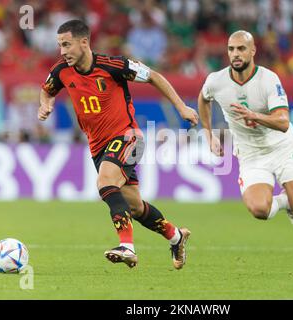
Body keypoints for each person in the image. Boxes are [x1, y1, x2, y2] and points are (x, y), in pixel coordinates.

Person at [38, 20, 198, 269]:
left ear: (84, 42)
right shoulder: (61, 70)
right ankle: (176, 236)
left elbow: (154, 76)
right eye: (60, 45)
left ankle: (127, 247)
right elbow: (47, 90)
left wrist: (181, 107)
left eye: (67, 44)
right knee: (133, 206)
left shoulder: (114, 66)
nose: (63, 51)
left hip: (128, 137)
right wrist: (45, 104)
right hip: (97, 147)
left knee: (105, 182)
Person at [198, 30, 293, 270]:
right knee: (259, 210)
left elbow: (283, 122)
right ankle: (285, 203)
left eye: (241, 49)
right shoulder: (216, 80)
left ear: (253, 51)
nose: (235, 54)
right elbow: (204, 99)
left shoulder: (268, 80)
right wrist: (208, 133)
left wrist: (255, 116)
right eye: (231, 49)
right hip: (251, 153)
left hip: (280, 147)